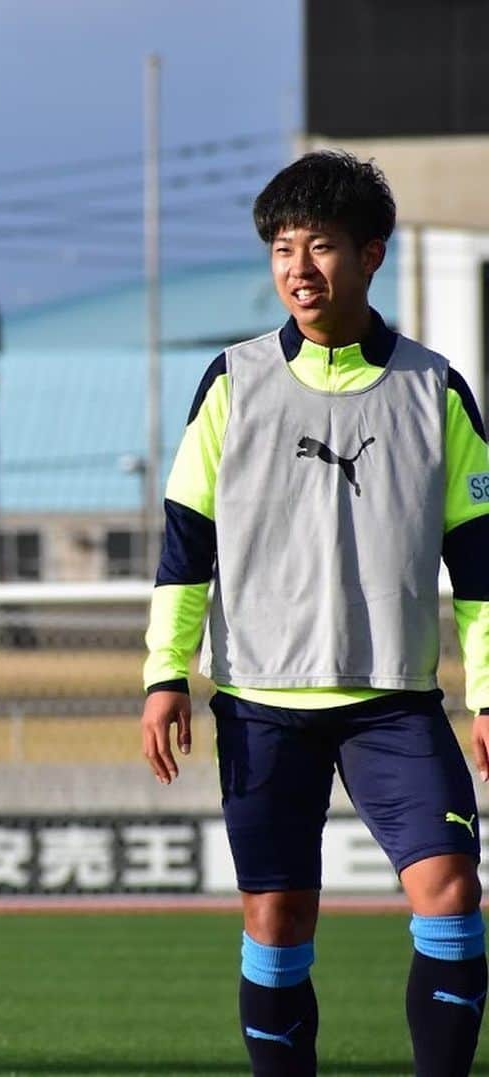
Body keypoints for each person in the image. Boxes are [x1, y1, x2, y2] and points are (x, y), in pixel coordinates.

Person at [141, 151, 489, 1076]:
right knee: (277, 916)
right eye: (283, 248)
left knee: (452, 894)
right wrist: (163, 673)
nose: (299, 268)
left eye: (322, 245)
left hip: (393, 702)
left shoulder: (435, 388)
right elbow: (186, 542)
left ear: (372, 255)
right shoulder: (234, 381)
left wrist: (488, 694)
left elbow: (482, 565)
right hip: (260, 702)